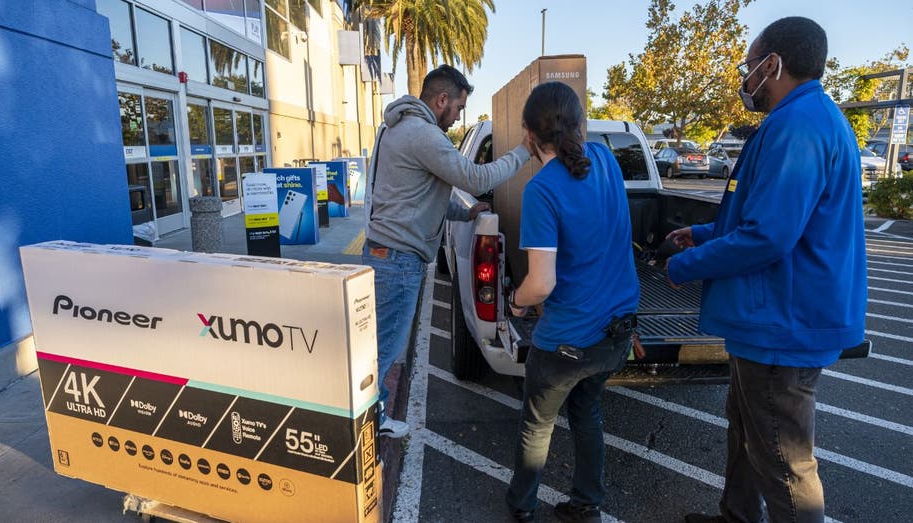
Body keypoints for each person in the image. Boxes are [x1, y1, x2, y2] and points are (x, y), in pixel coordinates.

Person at [665, 17, 867, 523]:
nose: (745, 78)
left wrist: (685, 266)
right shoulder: (807, 118)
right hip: (774, 319)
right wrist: (707, 234)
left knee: (783, 460)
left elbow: (770, 237)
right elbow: (772, 217)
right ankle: (737, 516)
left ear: (772, 64)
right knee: (747, 428)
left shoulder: (798, 126)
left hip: (785, 323)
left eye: (750, 65)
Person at [363, 65, 531, 438]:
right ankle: (372, 423)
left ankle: (372, 414)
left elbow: (423, 197)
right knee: (386, 346)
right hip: (398, 259)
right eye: (457, 107)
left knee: (379, 342)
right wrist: (524, 151)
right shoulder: (423, 134)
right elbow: (475, 178)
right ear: (442, 100)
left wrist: (467, 211)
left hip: (385, 253)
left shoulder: (398, 128)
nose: (457, 117)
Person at [504, 82, 640, 523]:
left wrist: (516, 302)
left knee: (537, 425)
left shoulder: (541, 190)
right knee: (588, 412)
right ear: (581, 124)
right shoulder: (606, 160)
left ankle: (522, 508)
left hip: (567, 341)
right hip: (616, 332)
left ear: (528, 135)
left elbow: (541, 284)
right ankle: (587, 505)